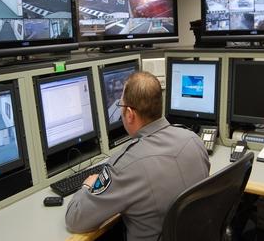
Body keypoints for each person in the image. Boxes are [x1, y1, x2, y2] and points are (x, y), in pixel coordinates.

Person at [65, 71, 210, 241]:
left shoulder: (124, 166)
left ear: (129, 114)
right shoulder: (194, 140)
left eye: (120, 106)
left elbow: (75, 219)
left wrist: (87, 186)